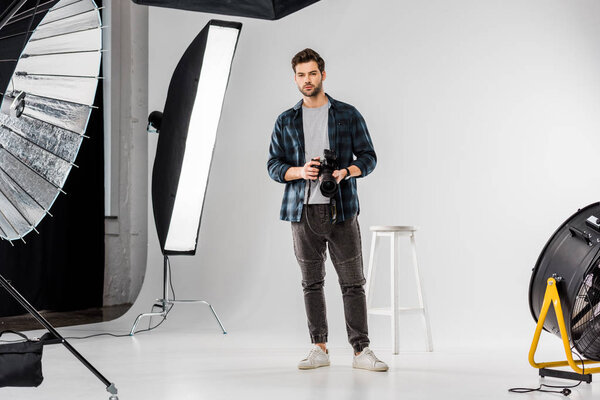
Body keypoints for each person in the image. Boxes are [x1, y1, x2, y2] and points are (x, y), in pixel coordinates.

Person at [267, 48, 388, 372]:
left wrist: (345, 172)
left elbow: (369, 157)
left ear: (322, 74)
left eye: (312, 73)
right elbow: (273, 165)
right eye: (301, 75)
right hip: (301, 210)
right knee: (312, 282)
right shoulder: (286, 120)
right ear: (295, 78)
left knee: (352, 283)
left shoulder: (347, 114)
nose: (307, 80)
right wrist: (299, 171)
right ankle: (319, 347)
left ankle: (361, 351)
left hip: (342, 208)